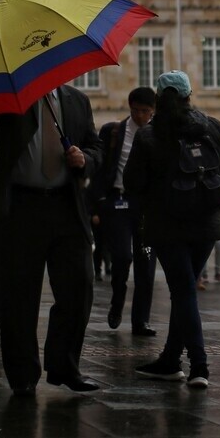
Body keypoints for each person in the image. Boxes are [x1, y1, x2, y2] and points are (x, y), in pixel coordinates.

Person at [124, 70, 220, 388]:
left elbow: (132, 182)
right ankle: (170, 359)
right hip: (207, 223)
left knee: (184, 291)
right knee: (185, 289)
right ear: (190, 96)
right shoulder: (212, 126)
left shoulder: (148, 135)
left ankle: (199, 366)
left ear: (159, 100)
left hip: (168, 224)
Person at [0, 84, 104, 396]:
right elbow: (7, 138)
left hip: (67, 205)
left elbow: (96, 147)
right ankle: (23, 374)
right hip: (23, 207)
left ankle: (65, 366)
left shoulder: (77, 101)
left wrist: (85, 159)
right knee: (20, 296)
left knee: (78, 287)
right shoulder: (11, 100)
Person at [89, 87, 158, 337]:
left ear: (153, 112)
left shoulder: (158, 134)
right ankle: (117, 301)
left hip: (146, 209)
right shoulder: (113, 132)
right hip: (118, 204)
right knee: (121, 256)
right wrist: (98, 200)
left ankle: (141, 320)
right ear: (130, 108)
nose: (141, 116)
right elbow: (100, 166)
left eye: (146, 112)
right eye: (136, 111)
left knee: (146, 261)